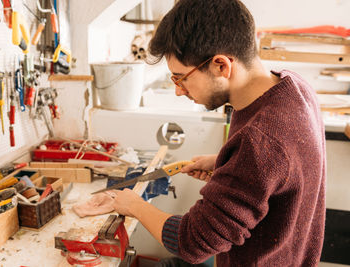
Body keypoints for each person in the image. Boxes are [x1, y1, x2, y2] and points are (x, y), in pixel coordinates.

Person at [112, 0, 326, 266]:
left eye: (181, 77)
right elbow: (288, 165)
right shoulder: (293, 86)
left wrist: (133, 204)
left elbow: (193, 241)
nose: (179, 90)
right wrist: (226, 162)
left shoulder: (260, 141)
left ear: (221, 66)